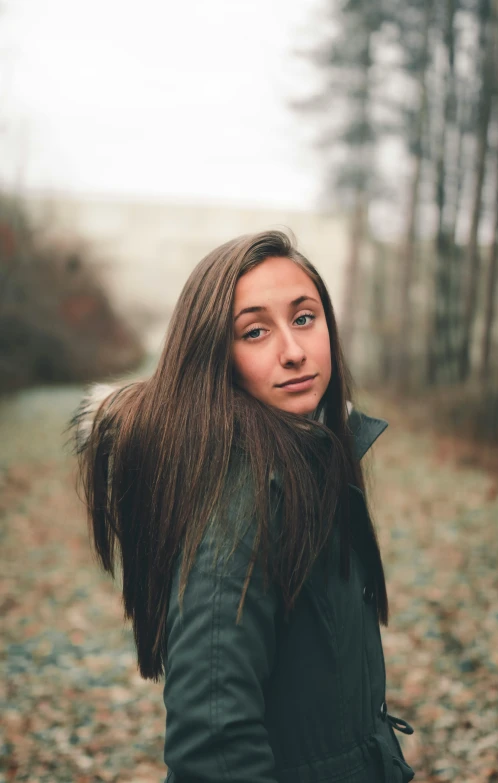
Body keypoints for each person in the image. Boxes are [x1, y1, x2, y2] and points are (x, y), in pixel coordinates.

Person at [72, 230, 416, 783]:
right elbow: (212, 742)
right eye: (255, 332)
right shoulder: (244, 492)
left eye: (304, 318)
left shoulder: (312, 455)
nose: (294, 350)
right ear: (215, 358)